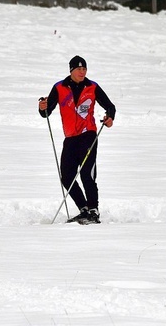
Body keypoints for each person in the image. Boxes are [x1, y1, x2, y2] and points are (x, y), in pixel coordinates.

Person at [38, 55, 115, 224]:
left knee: (87, 174)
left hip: (88, 135)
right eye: (79, 69)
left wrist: (109, 118)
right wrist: (42, 107)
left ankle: (93, 210)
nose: (82, 72)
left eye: (84, 69)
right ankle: (84, 209)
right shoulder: (59, 87)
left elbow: (110, 106)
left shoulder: (92, 87)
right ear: (71, 70)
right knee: (66, 176)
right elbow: (46, 112)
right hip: (71, 138)